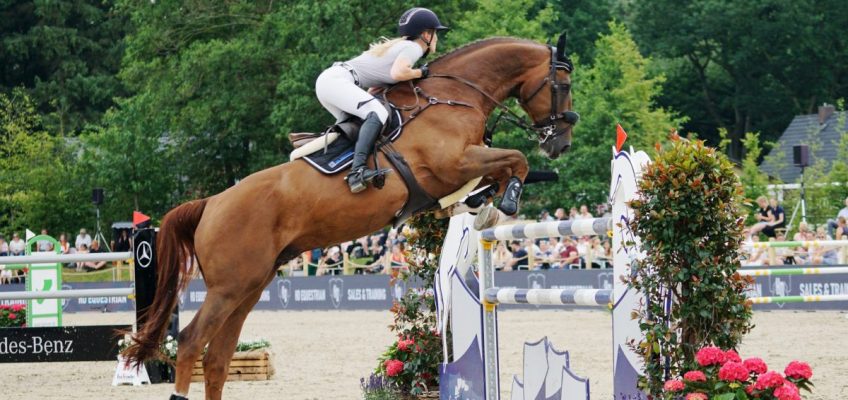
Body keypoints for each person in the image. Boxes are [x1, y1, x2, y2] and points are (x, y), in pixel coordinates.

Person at [315, 7, 448, 193]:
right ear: (426, 34)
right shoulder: (414, 47)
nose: (436, 38)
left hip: (330, 82)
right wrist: (421, 72)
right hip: (337, 81)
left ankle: (334, 166)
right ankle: (357, 172)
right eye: (435, 33)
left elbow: (373, 90)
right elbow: (399, 73)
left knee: (358, 126)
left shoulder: (400, 47)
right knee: (377, 112)